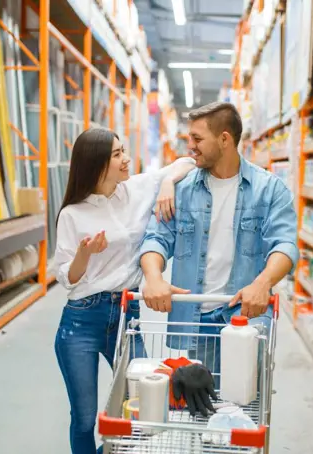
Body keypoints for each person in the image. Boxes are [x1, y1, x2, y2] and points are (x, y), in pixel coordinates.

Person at [139, 102, 299, 401]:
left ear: (225, 139)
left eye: (197, 139)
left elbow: (285, 245)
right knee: (206, 402)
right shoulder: (182, 189)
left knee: (246, 402)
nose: (190, 147)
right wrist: (154, 277)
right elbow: (156, 238)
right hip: (199, 314)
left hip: (245, 314)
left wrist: (261, 283)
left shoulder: (269, 189)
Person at [52, 127, 195, 454]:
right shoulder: (73, 214)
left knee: (145, 405)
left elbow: (185, 162)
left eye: (122, 151)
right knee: (86, 419)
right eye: (117, 154)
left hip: (126, 317)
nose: (126, 159)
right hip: (82, 321)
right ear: (97, 164)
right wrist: (85, 254)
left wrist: (168, 183)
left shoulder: (138, 188)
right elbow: (67, 278)